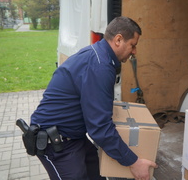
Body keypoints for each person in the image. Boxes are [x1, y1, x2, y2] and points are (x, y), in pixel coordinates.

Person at [30, 16, 158, 180]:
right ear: (118, 39)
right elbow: (100, 128)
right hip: (55, 142)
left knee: (97, 174)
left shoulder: (100, 55)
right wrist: (134, 162)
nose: (134, 52)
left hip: (74, 136)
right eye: (133, 45)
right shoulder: (100, 66)